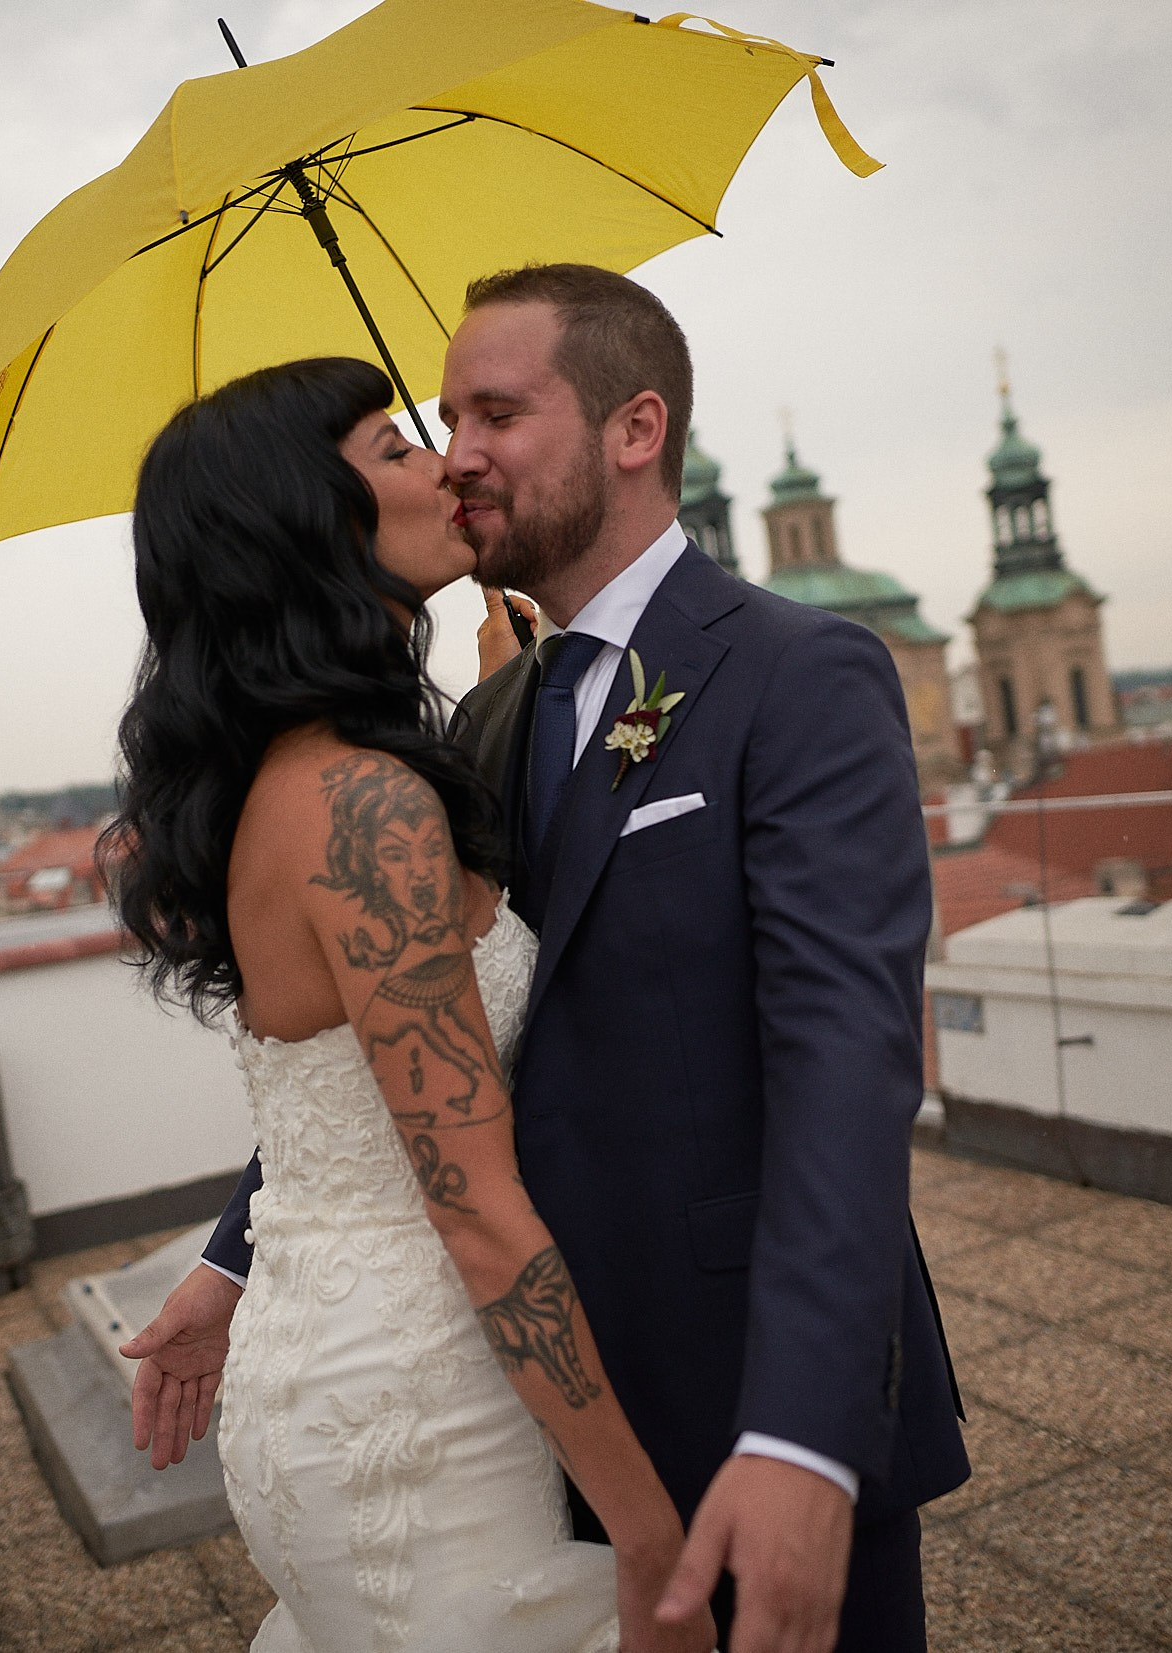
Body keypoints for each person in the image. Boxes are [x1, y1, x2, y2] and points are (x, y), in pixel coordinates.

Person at [127, 265, 969, 1653]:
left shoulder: (799, 674)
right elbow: (407, 1054)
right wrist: (231, 1259)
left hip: (742, 1386)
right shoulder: (484, 722)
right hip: (520, 1406)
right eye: (439, 422)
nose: (458, 454)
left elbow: (847, 1074)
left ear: (635, 429)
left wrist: (804, 1434)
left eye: (496, 415)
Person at [106, 355, 713, 1653]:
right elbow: (477, 1210)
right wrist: (648, 1536)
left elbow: (337, 1104)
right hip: (417, 1413)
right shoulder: (367, 808)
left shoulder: (290, 775)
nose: (447, 463)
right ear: (305, 526)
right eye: (396, 451)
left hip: (320, 1362)